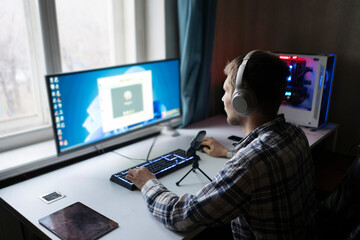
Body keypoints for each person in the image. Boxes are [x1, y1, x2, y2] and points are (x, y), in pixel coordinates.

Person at [125, 50, 316, 240]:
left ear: (242, 100)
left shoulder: (248, 165)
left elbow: (180, 217)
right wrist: (227, 152)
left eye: (226, 91)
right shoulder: (295, 134)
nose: (222, 98)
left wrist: (148, 183)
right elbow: (265, 163)